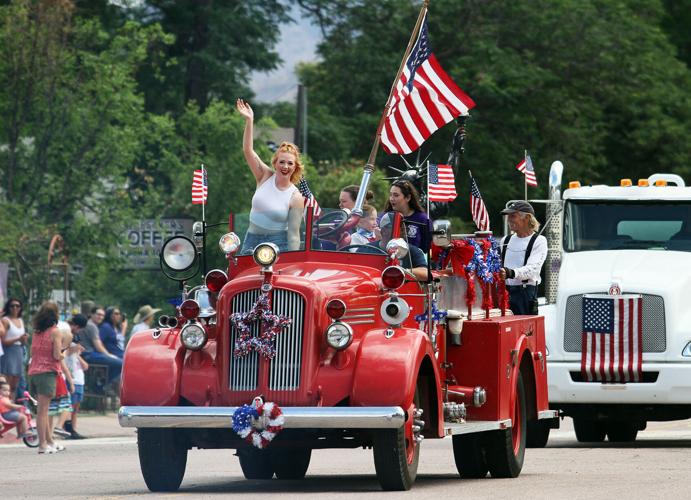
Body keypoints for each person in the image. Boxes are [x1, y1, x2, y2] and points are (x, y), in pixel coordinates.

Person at [236, 98, 305, 254]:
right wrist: (249, 120)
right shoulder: (264, 176)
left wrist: (292, 261)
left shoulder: (295, 196)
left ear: (295, 167)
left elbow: (294, 234)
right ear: (275, 163)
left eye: (290, 163)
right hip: (251, 240)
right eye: (282, 162)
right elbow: (248, 150)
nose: (285, 166)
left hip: (277, 244)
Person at [499, 201, 548, 315]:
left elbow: (533, 269)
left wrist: (511, 273)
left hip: (525, 295)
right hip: (503, 292)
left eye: (513, 216)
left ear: (526, 218)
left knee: (523, 332)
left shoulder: (539, 241)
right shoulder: (505, 240)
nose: (509, 219)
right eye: (508, 216)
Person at [27, 301, 64, 454]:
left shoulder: (37, 331)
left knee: (43, 410)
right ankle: (42, 444)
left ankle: (49, 441)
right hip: (47, 372)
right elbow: (56, 355)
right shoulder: (55, 331)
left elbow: (31, 353)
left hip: (34, 372)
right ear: (56, 314)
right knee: (43, 411)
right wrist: (64, 353)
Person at [359, 212, 429, 281]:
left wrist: (401, 271)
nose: (404, 231)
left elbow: (425, 273)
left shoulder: (412, 251)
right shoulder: (366, 249)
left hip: (402, 290)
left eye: (404, 228)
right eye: (399, 227)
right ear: (383, 230)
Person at [383, 180, 433, 253]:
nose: (391, 198)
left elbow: (427, 250)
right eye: (391, 195)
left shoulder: (423, 219)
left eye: (396, 195)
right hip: (388, 262)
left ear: (408, 197)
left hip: (416, 263)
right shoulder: (386, 217)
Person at [62, 314, 88, 439]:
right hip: (70, 374)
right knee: (70, 405)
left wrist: (77, 351)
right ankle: (67, 428)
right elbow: (63, 352)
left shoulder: (74, 335)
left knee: (76, 405)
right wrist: (74, 349)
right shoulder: (66, 333)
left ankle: (73, 429)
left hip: (77, 374)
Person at [80, 307, 122, 384]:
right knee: (120, 363)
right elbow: (98, 346)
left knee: (117, 362)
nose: (101, 317)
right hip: (88, 354)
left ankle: (102, 383)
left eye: (102, 315)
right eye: (98, 314)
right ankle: (103, 384)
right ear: (91, 314)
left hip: (85, 354)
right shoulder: (92, 326)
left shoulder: (89, 324)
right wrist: (109, 355)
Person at [1, 298, 28, 400]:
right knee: (6, 383)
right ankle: (4, 406)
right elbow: (3, 341)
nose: (15, 308)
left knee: (15, 383)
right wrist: (18, 338)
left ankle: (11, 404)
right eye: (12, 306)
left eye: (17, 306)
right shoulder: (5, 320)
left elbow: (22, 341)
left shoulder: (20, 320)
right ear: (8, 307)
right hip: (9, 351)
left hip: (19, 351)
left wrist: (23, 340)